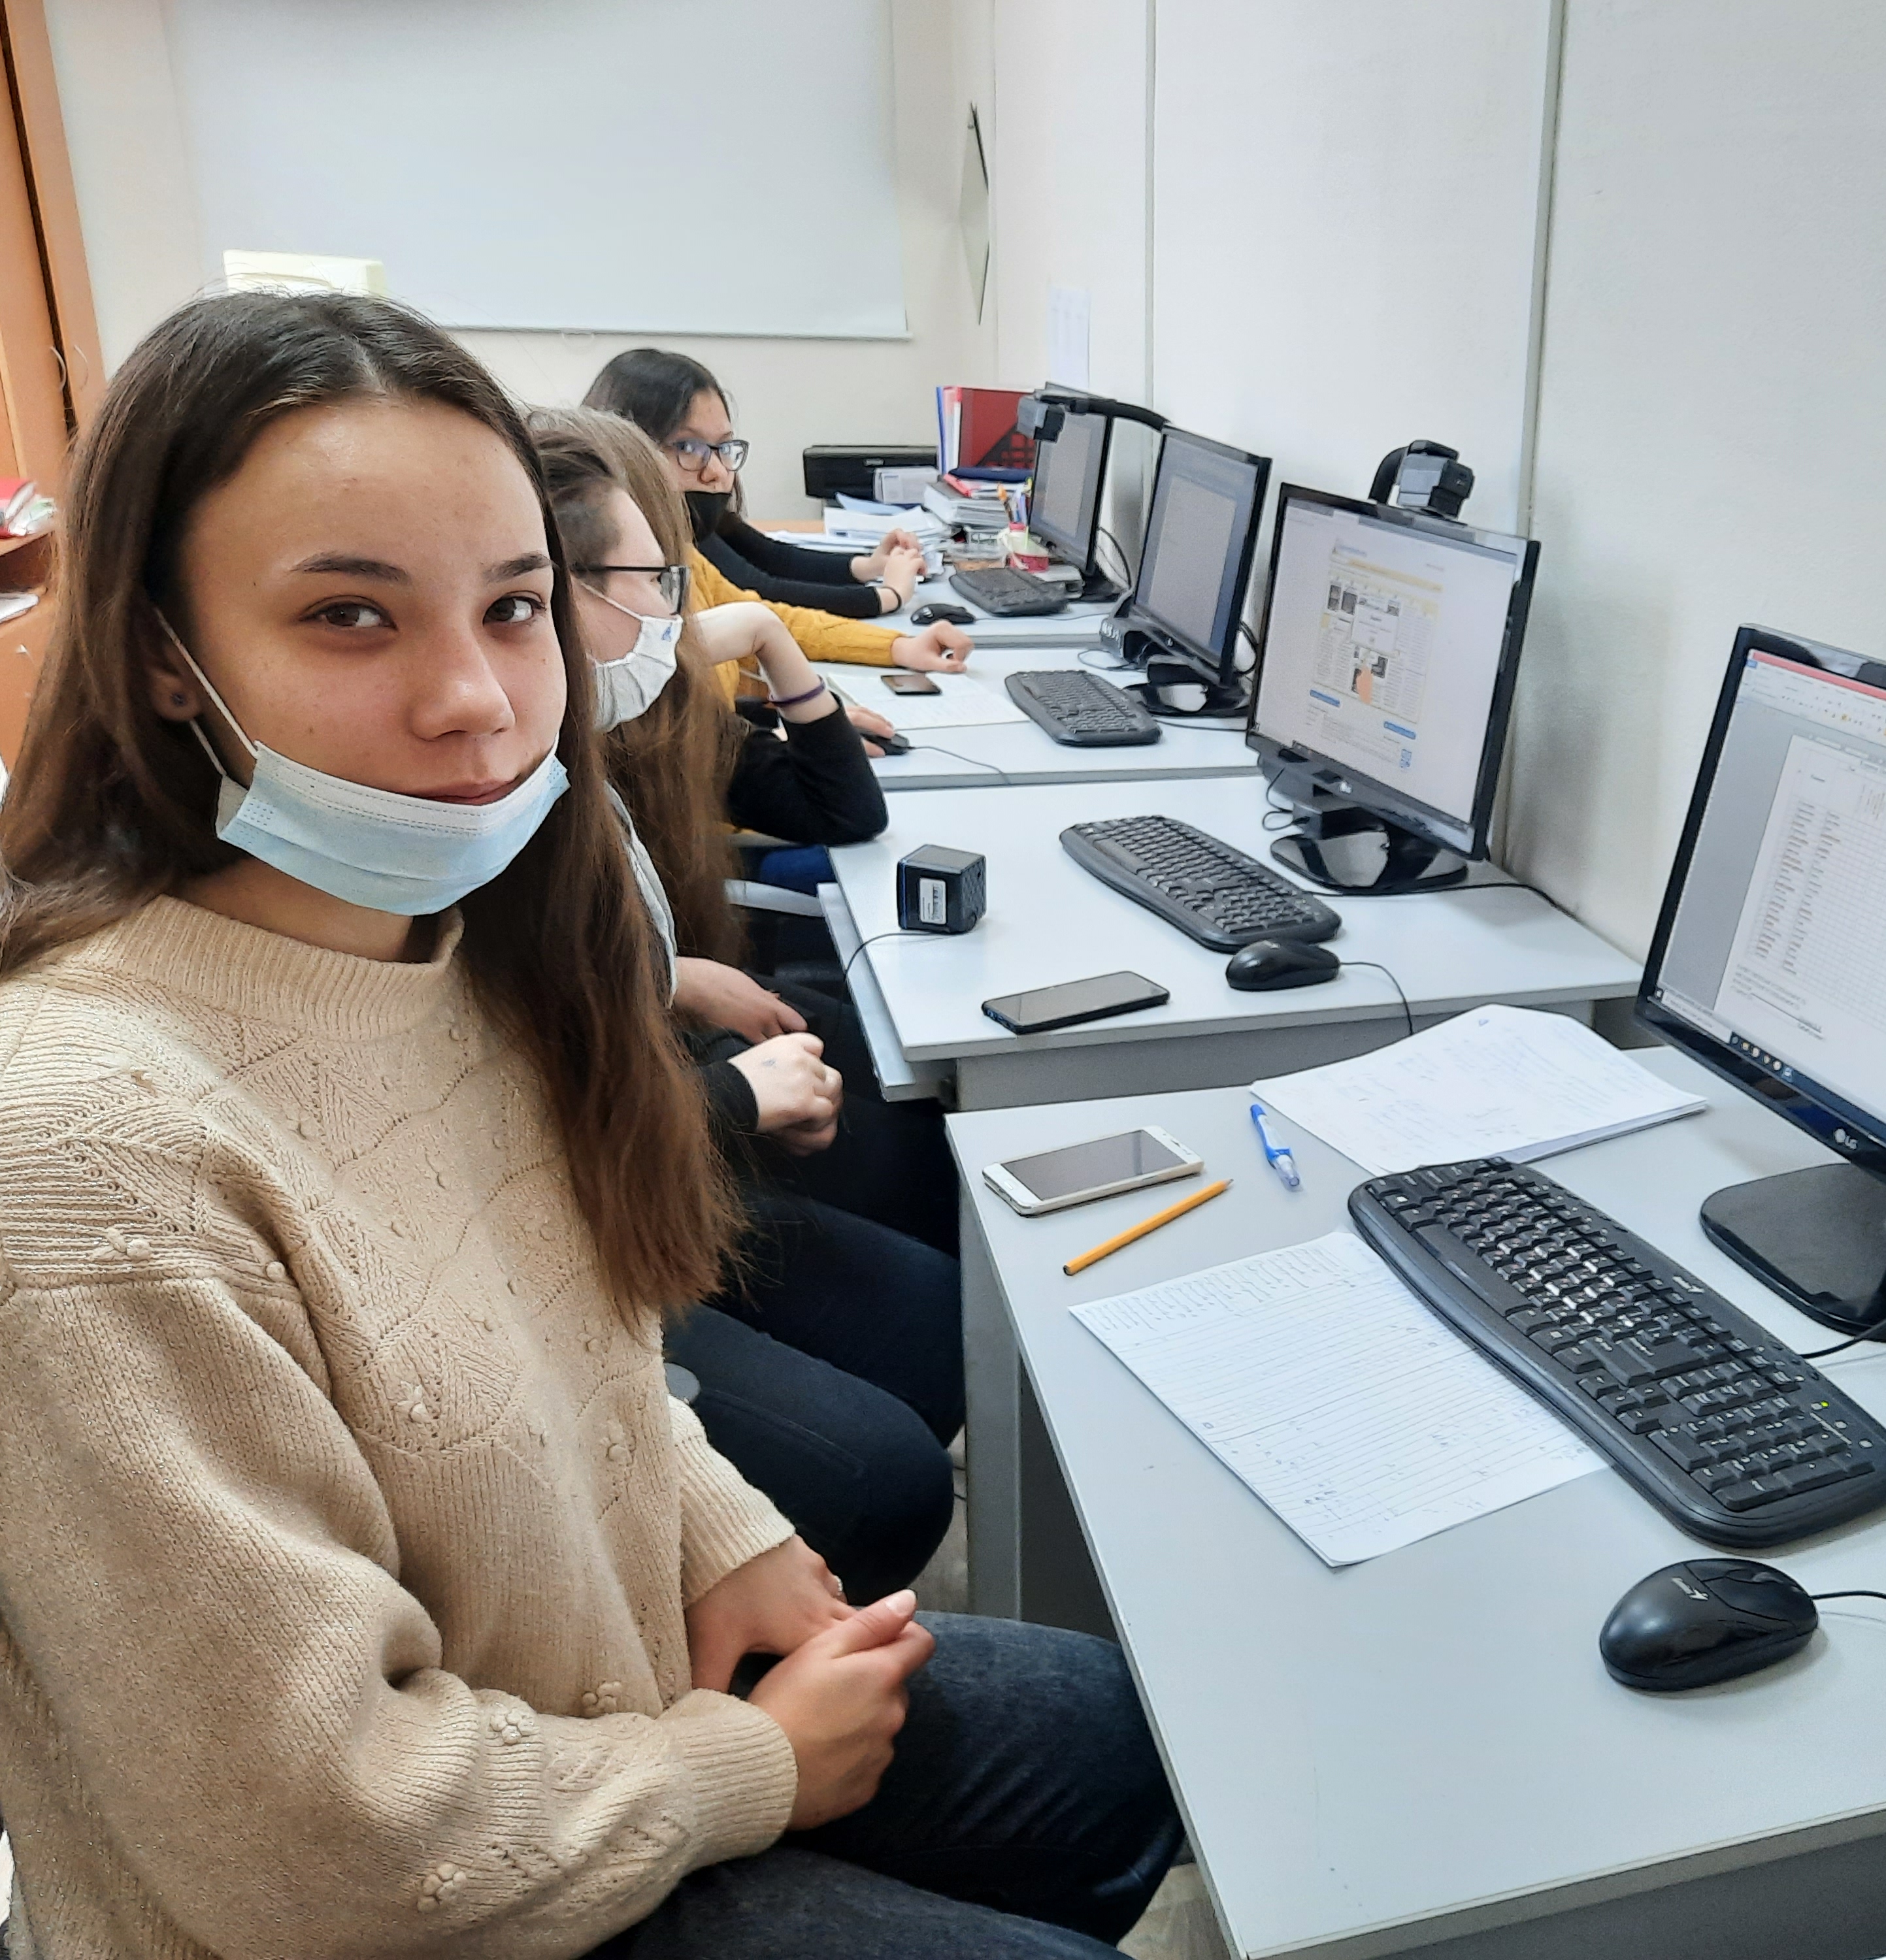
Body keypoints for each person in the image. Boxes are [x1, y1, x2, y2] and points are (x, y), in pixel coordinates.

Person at [0, 287, 1176, 1956]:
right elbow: (306, 1850)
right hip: (388, 1898)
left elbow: (578, 1350)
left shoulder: (459, 950)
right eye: (349, 615)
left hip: (599, 1690)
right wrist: (744, 1772)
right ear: (156, 658)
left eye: (512, 607)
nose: (477, 700)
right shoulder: (82, 1155)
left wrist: (718, 1527)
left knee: (1118, 1740)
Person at [532, 407, 961, 1594]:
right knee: (895, 1439)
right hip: (597, 1206)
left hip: (645, 1132)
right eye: (658, 581)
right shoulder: (494, 794)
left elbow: (847, 813)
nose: (677, 609)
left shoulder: (631, 722)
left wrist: (770, 640)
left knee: (916, 1209)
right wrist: (730, 1094)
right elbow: (519, 1120)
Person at [584, 348, 972, 675]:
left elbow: (763, 606)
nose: (717, 472)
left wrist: (895, 639)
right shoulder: (616, 585)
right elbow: (760, 595)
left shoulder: (685, 549)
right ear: (625, 448)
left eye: (723, 447)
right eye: (688, 447)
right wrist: (887, 596)